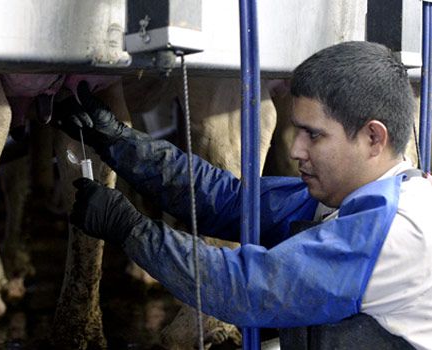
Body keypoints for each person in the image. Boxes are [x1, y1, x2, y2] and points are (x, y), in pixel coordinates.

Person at [54, 41, 432, 349]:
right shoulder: (355, 199)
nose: (296, 149)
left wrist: (129, 228)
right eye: (297, 131)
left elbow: (246, 289)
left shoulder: (396, 230)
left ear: (373, 137)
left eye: (313, 134)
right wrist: (118, 141)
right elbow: (229, 201)